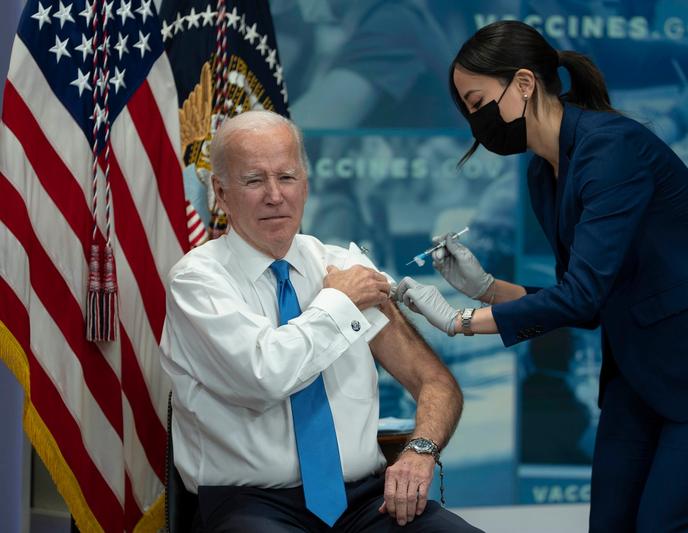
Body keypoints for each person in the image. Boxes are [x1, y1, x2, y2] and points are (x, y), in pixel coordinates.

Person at [394, 20, 688, 532]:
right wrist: (485, 287)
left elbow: (580, 297)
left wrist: (459, 320)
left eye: (478, 103)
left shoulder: (611, 149)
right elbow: (585, 301)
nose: (476, 123)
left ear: (524, 83)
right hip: (642, 366)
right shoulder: (543, 172)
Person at [160, 110, 481, 533]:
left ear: (306, 185)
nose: (275, 195)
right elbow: (265, 376)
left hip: (363, 501)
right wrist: (339, 302)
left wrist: (420, 451)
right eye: (254, 180)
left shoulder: (344, 266)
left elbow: (434, 381)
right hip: (251, 505)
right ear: (220, 192)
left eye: (287, 177)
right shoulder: (197, 280)